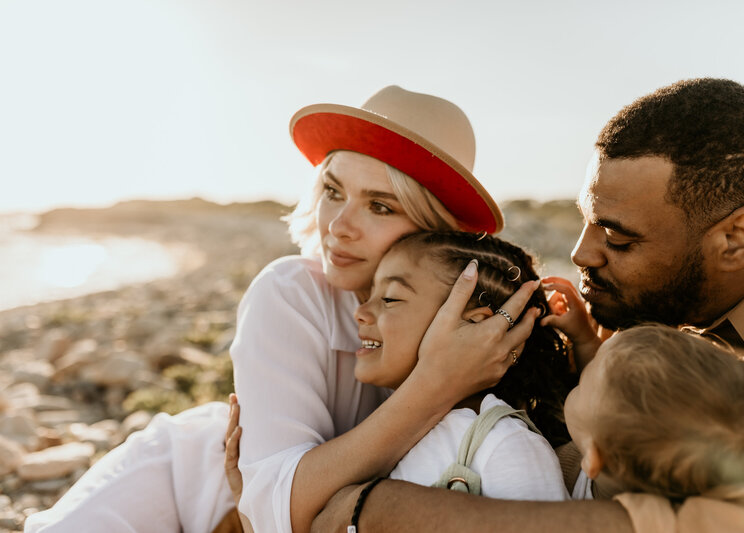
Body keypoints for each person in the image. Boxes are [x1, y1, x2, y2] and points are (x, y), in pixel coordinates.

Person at [25, 86, 536, 533]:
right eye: (333, 192)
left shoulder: (481, 324)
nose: (338, 226)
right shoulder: (292, 291)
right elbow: (280, 517)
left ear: (435, 230)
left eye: (380, 206)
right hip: (178, 495)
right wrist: (436, 385)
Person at [311, 78, 744, 533]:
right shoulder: (645, 306)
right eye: (586, 221)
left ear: (737, 239)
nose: (580, 254)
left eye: (616, 237)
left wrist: (375, 508)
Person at [227, 230, 576, 515]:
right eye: (370, 294)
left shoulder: (505, 447)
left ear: (477, 327)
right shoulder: (389, 435)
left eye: (390, 299)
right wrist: (253, 512)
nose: (360, 312)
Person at [563, 323, 744, 501]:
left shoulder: (554, 485)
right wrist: (584, 341)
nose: (580, 381)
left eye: (581, 385)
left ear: (593, 459)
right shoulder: (622, 447)